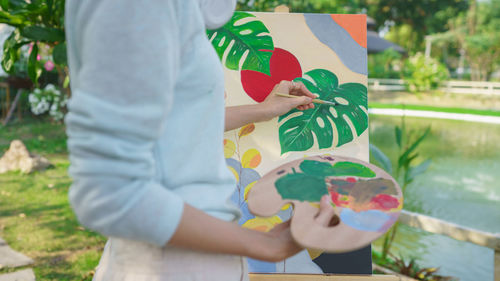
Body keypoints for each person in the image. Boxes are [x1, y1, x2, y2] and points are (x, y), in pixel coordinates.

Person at [64, 1, 335, 280]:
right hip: (165, 264)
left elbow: (174, 122)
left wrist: (264, 110)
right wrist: (264, 244)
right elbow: (110, 190)